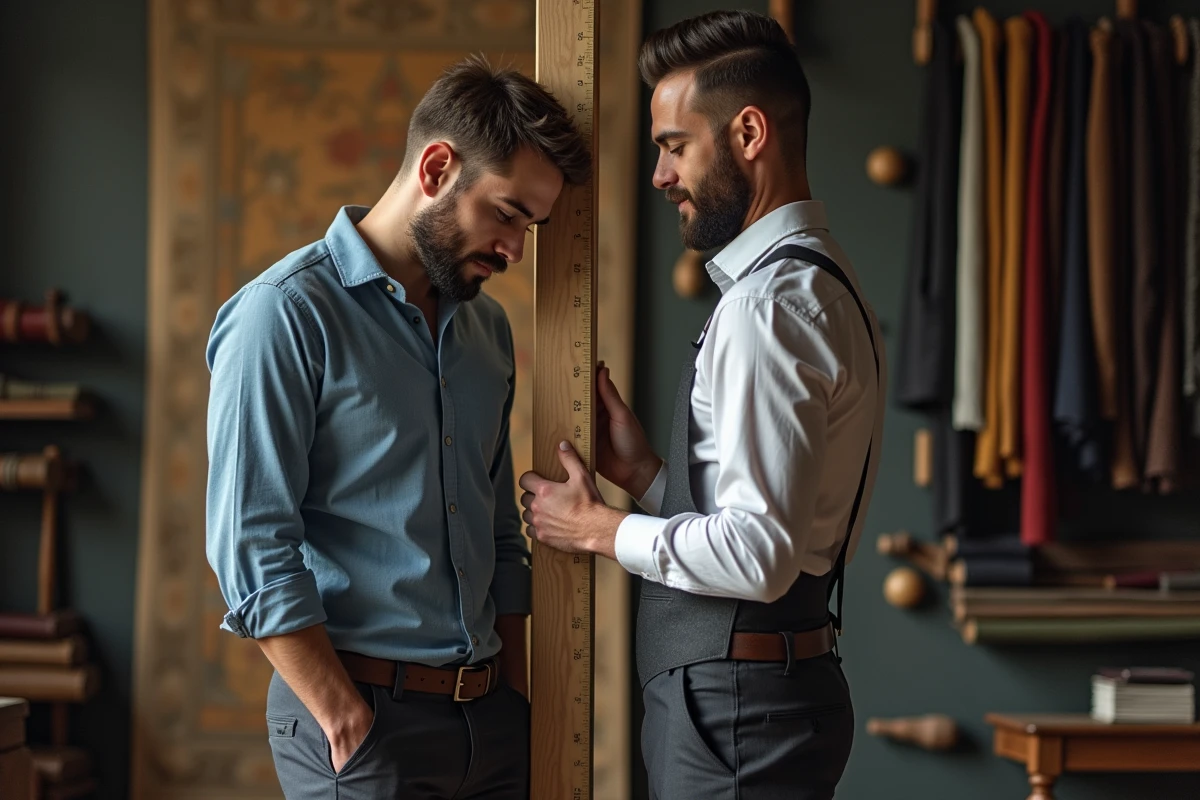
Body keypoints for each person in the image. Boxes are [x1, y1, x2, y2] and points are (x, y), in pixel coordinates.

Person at [518, 11, 886, 799]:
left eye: (674, 145)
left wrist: (599, 529)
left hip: (737, 718)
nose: (660, 174)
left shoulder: (769, 309)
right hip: (760, 701)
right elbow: (788, 519)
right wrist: (649, 477)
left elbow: (760, 555)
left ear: (748, 133)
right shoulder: (820, 281)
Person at [205, 54, 590, 800]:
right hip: (359, 723)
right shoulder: (283, 314)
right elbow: (250, 543)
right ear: (438, 167)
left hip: (492, 725)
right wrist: (345, 721)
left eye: (531, 227)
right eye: (509, 214)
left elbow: (495, 532)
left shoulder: (489, 334)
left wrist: (511, 698)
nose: (516, 249)